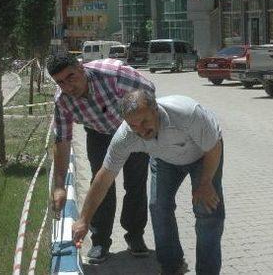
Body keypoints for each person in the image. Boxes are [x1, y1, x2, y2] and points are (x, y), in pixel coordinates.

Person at [72, 90, 225, 275]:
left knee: (207, 212)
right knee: (158, 207)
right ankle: (171, 266)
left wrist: (205, 183)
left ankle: (208, 271)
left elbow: (213, 146)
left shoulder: (186, 113)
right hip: (164, 160)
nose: (141, 131)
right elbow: (104, 177)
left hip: (204, 155)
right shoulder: (125, 136)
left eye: (144, 122)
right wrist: (83, 220)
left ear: (155, 110)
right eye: (133, 125)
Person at [47, 53, 154, 264]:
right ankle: (100, 241)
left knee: (135, 184)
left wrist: (143, 128)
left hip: (132, 132)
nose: (68, 86)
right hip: (98, 134)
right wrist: (59, 186)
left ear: (80, 67)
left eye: (71, 77)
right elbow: (62, 140)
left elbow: (148, 93)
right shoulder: (62, 101)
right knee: (100, 184)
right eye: (60, 82)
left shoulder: (114, 75)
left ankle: (135, 236)